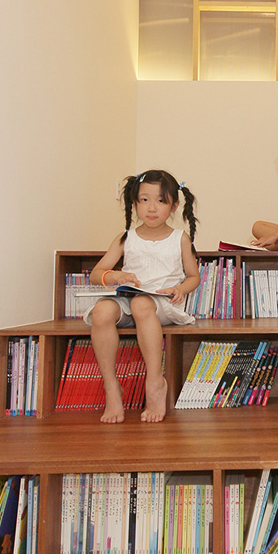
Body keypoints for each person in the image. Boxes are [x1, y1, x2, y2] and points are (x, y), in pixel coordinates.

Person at [86, 170, 200, 424]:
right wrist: (115, 277)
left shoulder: (179, 238)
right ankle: (111, 388)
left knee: (141, 303)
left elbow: (194, 277)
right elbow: (97, 274)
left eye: (160, 201)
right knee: (102, 311)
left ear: (174, 205)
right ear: (134, 203)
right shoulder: (126, 238)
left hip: (161, 303)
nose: (151, 208)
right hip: (128, 300)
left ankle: (155, 380)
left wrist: (180, 289)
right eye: (144, 200)